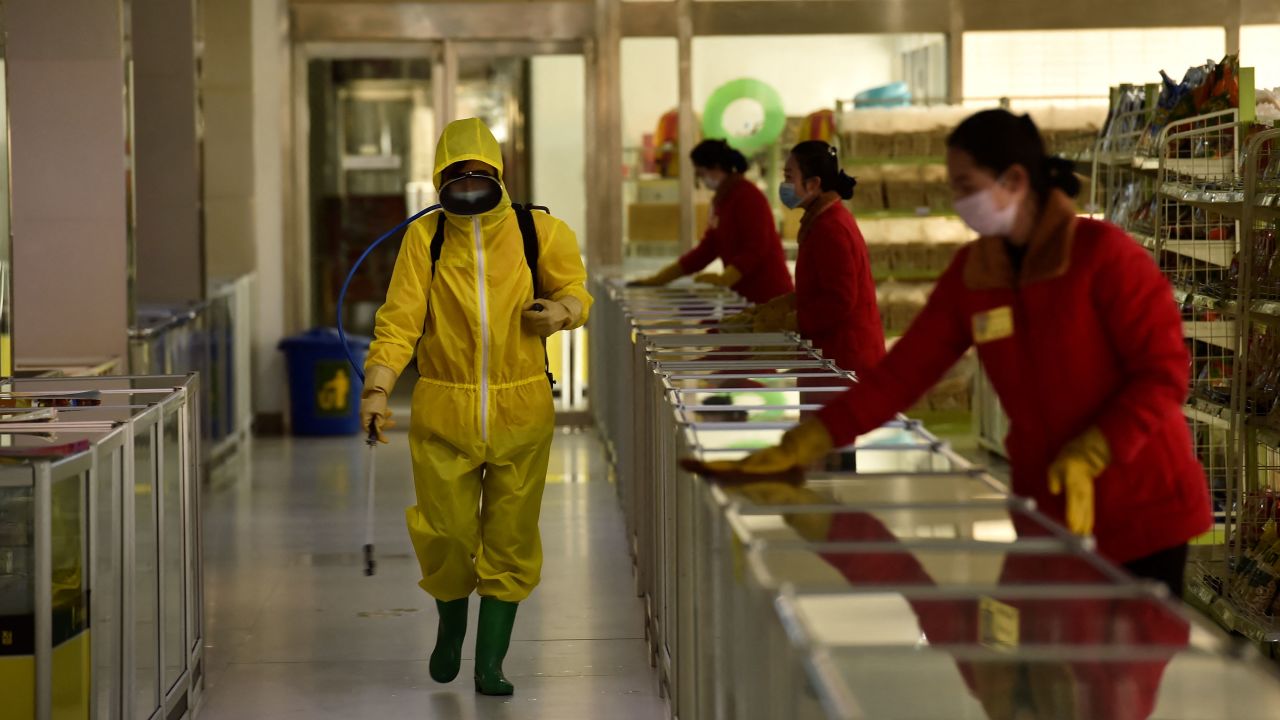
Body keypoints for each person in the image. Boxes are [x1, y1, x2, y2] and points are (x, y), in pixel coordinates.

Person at [718, 109, 1211, 596]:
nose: (958, 202)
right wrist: (810, 438)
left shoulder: (1105, 256)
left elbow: (1163, 373)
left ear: (1014, 179)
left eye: (965, 186)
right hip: (1047, 507)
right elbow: (901, 376)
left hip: (1144, 507)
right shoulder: (975, 275)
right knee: (1030, 663)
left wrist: (1094, 450)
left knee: (1118, 669)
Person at [359, 118, 592, 696]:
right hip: (444, 406)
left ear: (500, 174)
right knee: (446, 532)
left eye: (480, 175)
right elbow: (400, 320)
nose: (469, 186)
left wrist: (559, 313)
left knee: (511, 539)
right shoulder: (427, 238)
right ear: (441, 178)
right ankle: (448, 633)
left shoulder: (538, 231)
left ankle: (491, 664)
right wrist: (378, 388)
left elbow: (577, 291)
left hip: (523, 409)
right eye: (457, 176)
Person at [749, 140, 885, 378]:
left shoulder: (831, 227)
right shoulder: (822, 220)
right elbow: (821, 289)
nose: (785, 185)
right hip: (831, 354)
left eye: (789, 177)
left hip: (844, 360)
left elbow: (839, 300)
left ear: (813, 184)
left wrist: (793, 321)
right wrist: (782, 307)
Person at [630, 139, 793, 305]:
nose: (701, 180)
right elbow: (709, 247)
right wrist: (661, 278)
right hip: (742, 294)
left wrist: (727, 277)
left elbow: (756, 247)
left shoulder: (748, 196)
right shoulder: (722, 199)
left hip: (768, 293)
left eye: (701, 173)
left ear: (716, 167)